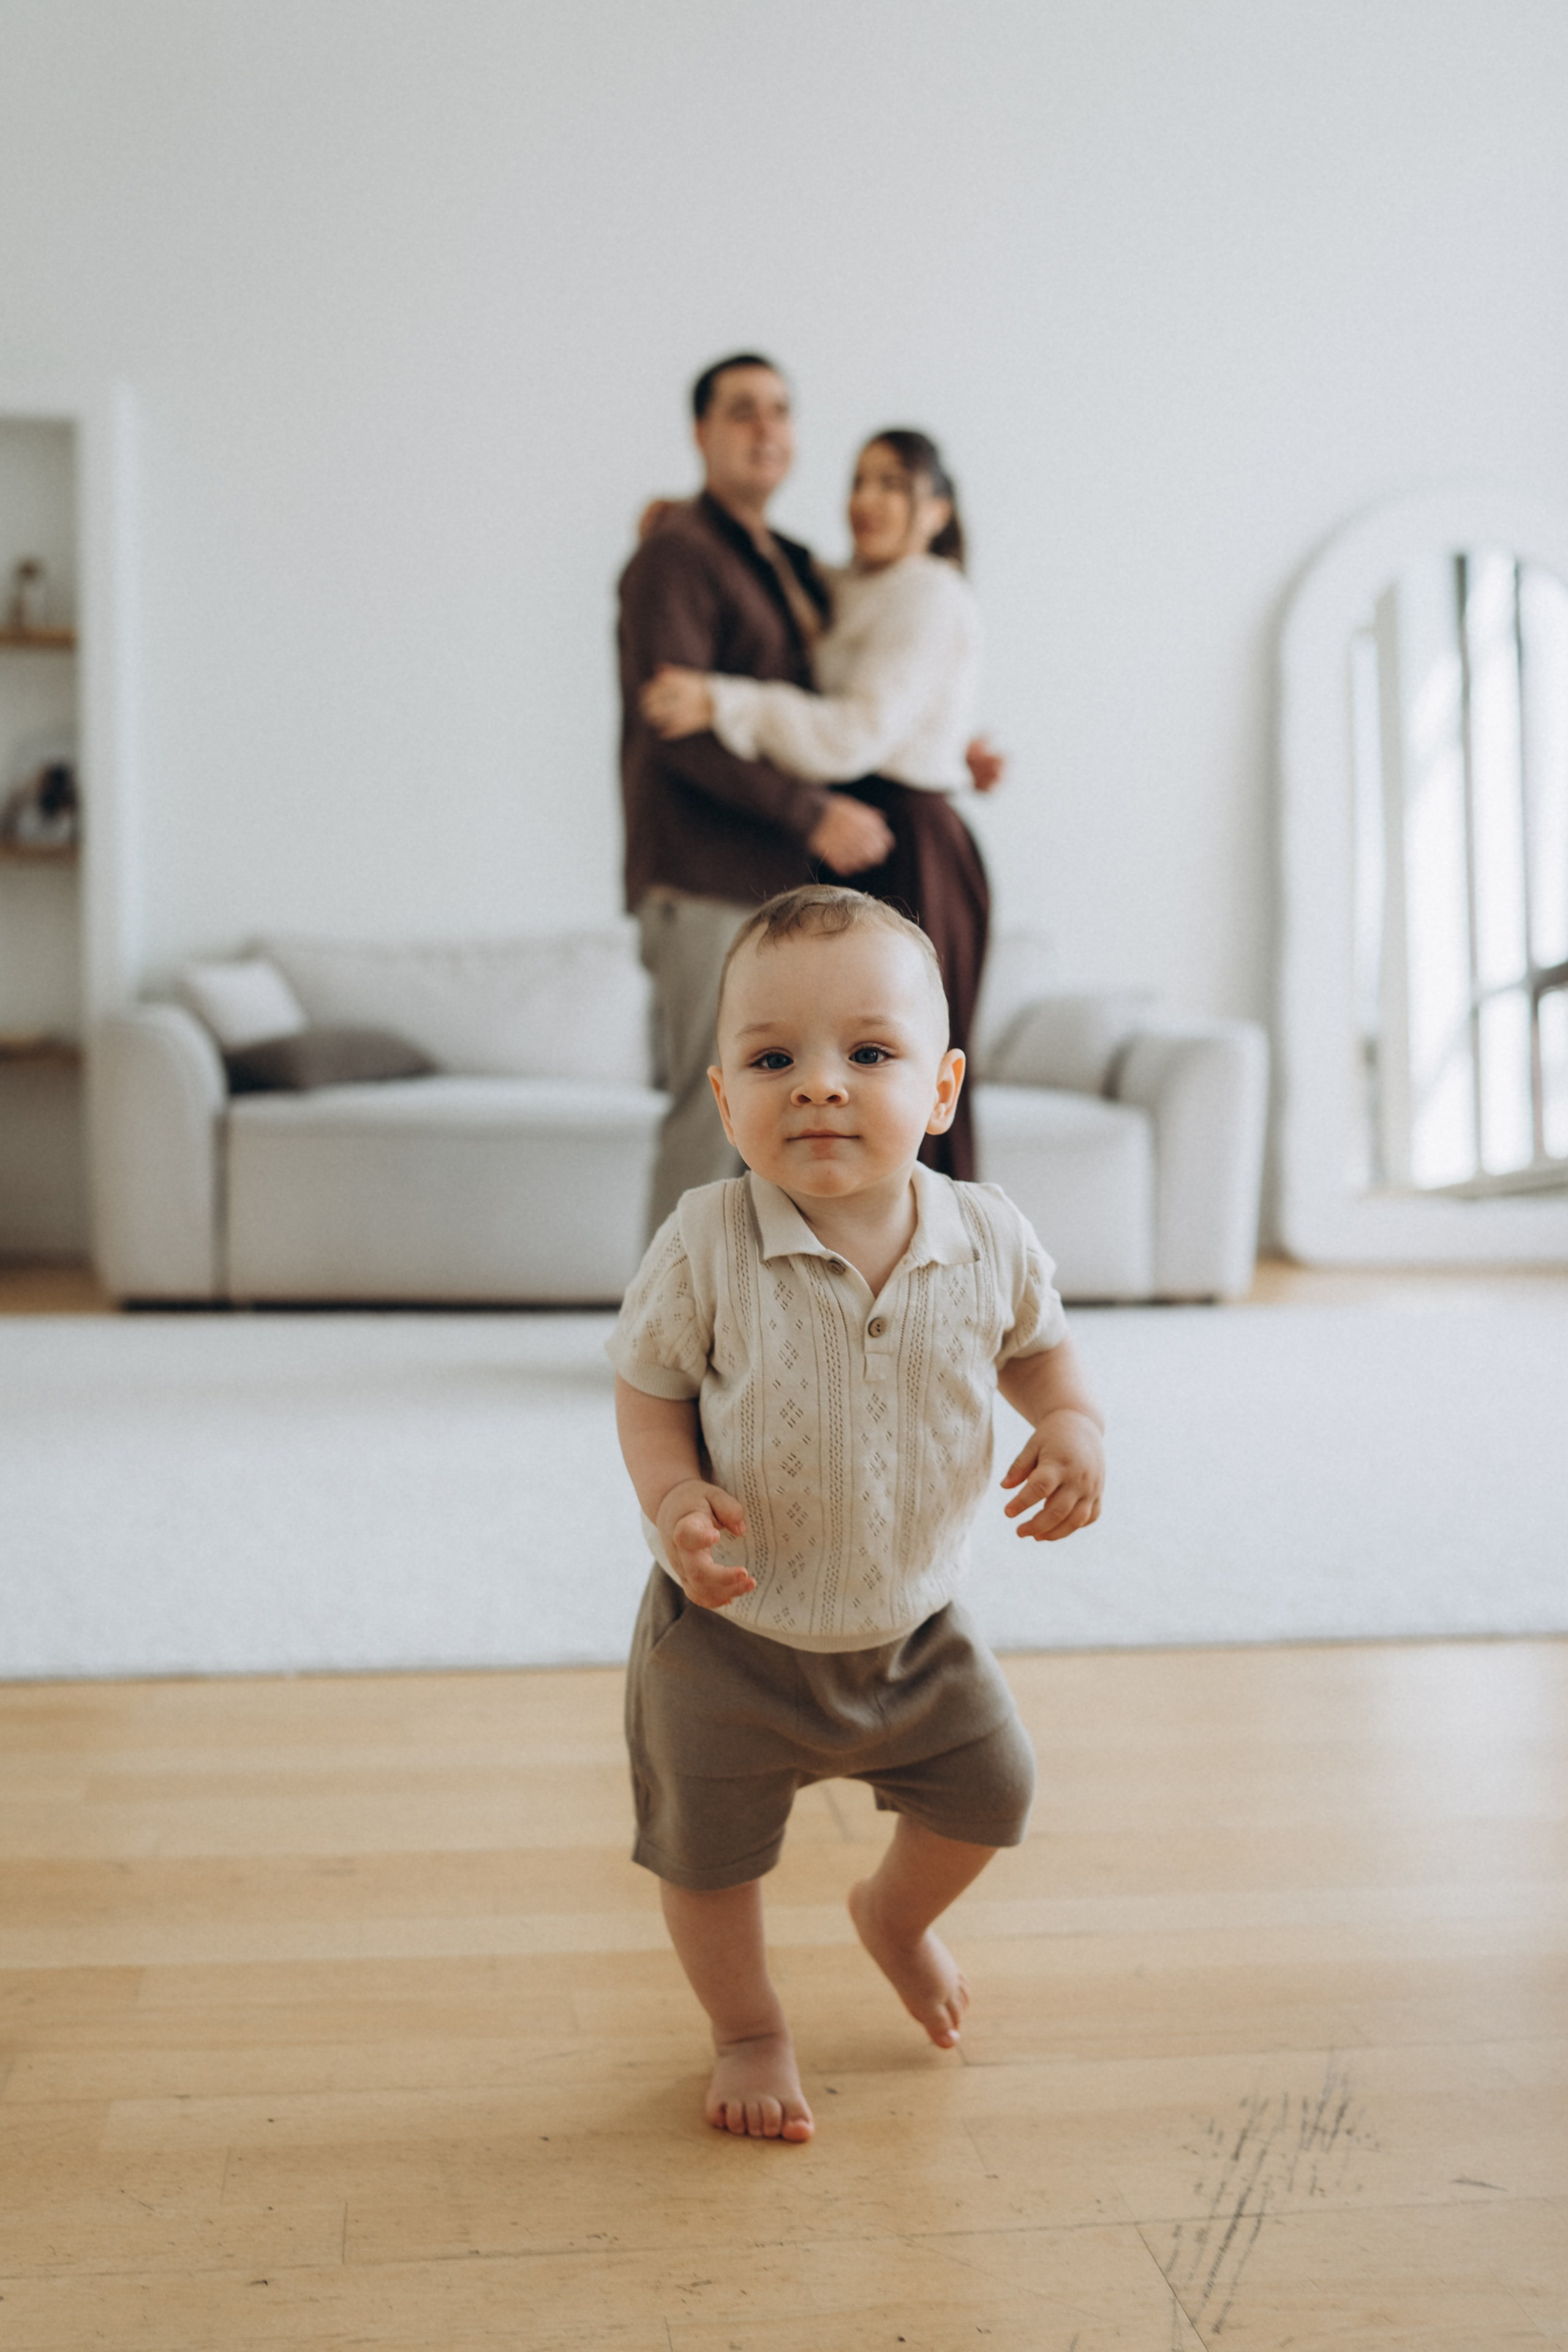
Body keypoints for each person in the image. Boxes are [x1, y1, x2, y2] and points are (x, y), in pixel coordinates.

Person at [609, 885, 1105, 2142]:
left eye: (868, 1054)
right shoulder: (707, 1242)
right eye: (773, 1060)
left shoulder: (989, 1237)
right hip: (728, 1638)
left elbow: (1042, 1356)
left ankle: (894, 1916)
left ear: (941, 1091)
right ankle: (747, 2027)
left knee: (994, 1791)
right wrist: (673, 1497)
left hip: (914, 1629)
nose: (819, 1085)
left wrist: (1070, 1426)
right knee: (707, 1858)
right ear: (724, 1098)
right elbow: (649, 1388)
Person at [617, 357, 1001, 1234]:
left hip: (801, 870)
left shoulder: (779, 563)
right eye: (742, 411)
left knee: (851, 1110)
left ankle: (900, 1293)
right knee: (720, 1114)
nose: (766, 429)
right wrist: (815, 811)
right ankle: (666, 1314)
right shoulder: (684, 554)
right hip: (705, 874)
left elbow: (865, 712)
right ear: (701, 433)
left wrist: (943, 748)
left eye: (780, 411)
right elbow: (676, 731)